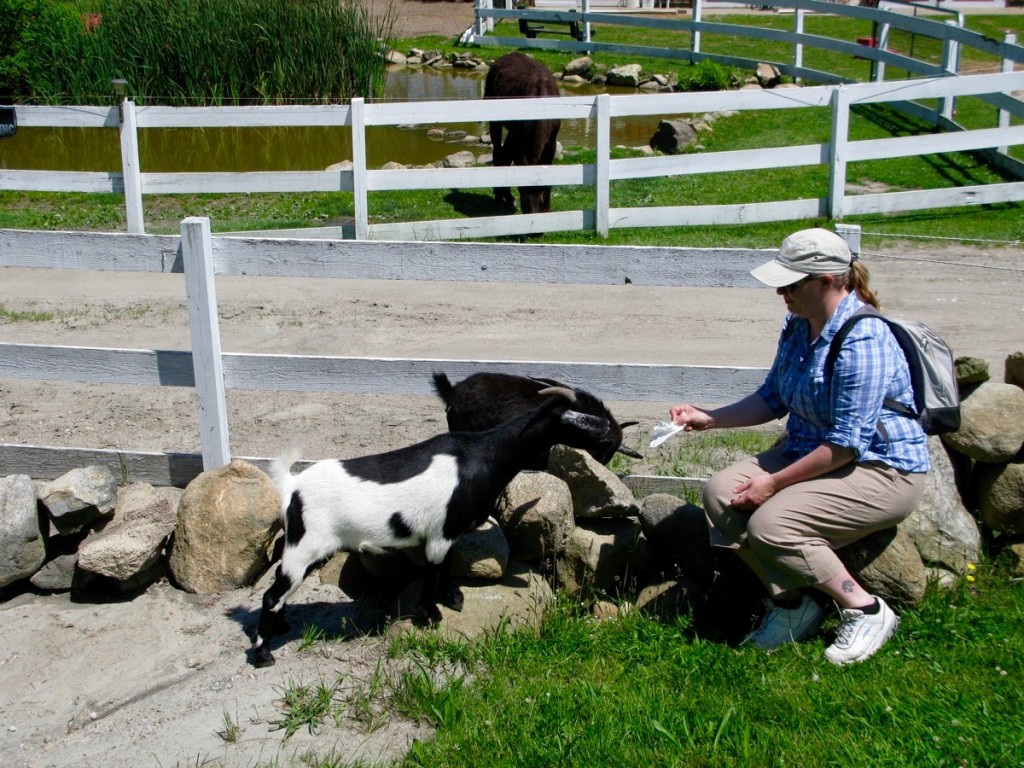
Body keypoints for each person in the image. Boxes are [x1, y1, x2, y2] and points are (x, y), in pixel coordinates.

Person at [670, 228, 929, 665]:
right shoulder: (798, 325)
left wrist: (772, 483)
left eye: (791, 284)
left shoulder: (864, 338)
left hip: (880, 468)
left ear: (827, 280)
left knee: (771, 524)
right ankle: (792, 605)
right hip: (810, 450)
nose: (781, 292)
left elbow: (847, 445)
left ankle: (864, 608)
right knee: (719, 494)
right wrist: (709, 417)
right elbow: (773, 396)